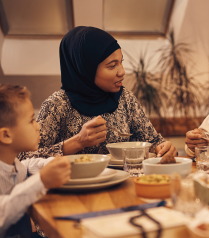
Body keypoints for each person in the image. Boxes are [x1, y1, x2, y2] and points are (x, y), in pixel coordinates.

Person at [18, 26, 177, 161]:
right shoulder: (57, 105)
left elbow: (154, 141)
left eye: (121, 62)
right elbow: (24, 159)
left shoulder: (124, 98)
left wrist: (164, 148)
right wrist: (78, 141)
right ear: (85, 69)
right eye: (112, 65)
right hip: (74, 192)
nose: (122, 72)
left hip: (122, 185)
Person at [0, 84, 71, 237]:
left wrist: (49, 164)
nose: (38, 126)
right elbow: (3, 212)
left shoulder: (13, 164)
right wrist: (41, 180)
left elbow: (26, 165)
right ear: (6, 135)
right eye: (31, 120)